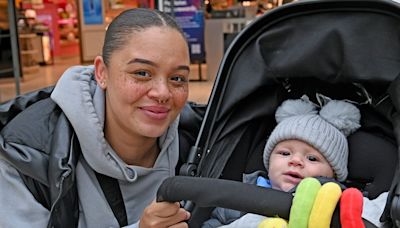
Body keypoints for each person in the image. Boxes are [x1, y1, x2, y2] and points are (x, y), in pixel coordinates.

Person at [0, 8, 192, 227]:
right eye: (142, 73)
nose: (162, 93)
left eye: (177, 78)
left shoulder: (201, 140)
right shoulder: (25, 154)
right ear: (102, 73)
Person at [202, 97, 388, 227]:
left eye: (312, 158)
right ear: (269, 161)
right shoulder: (238, 198)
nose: (296, 161)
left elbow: (381, 212)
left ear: (334, 173)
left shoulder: (344, 200)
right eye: (284, 153)